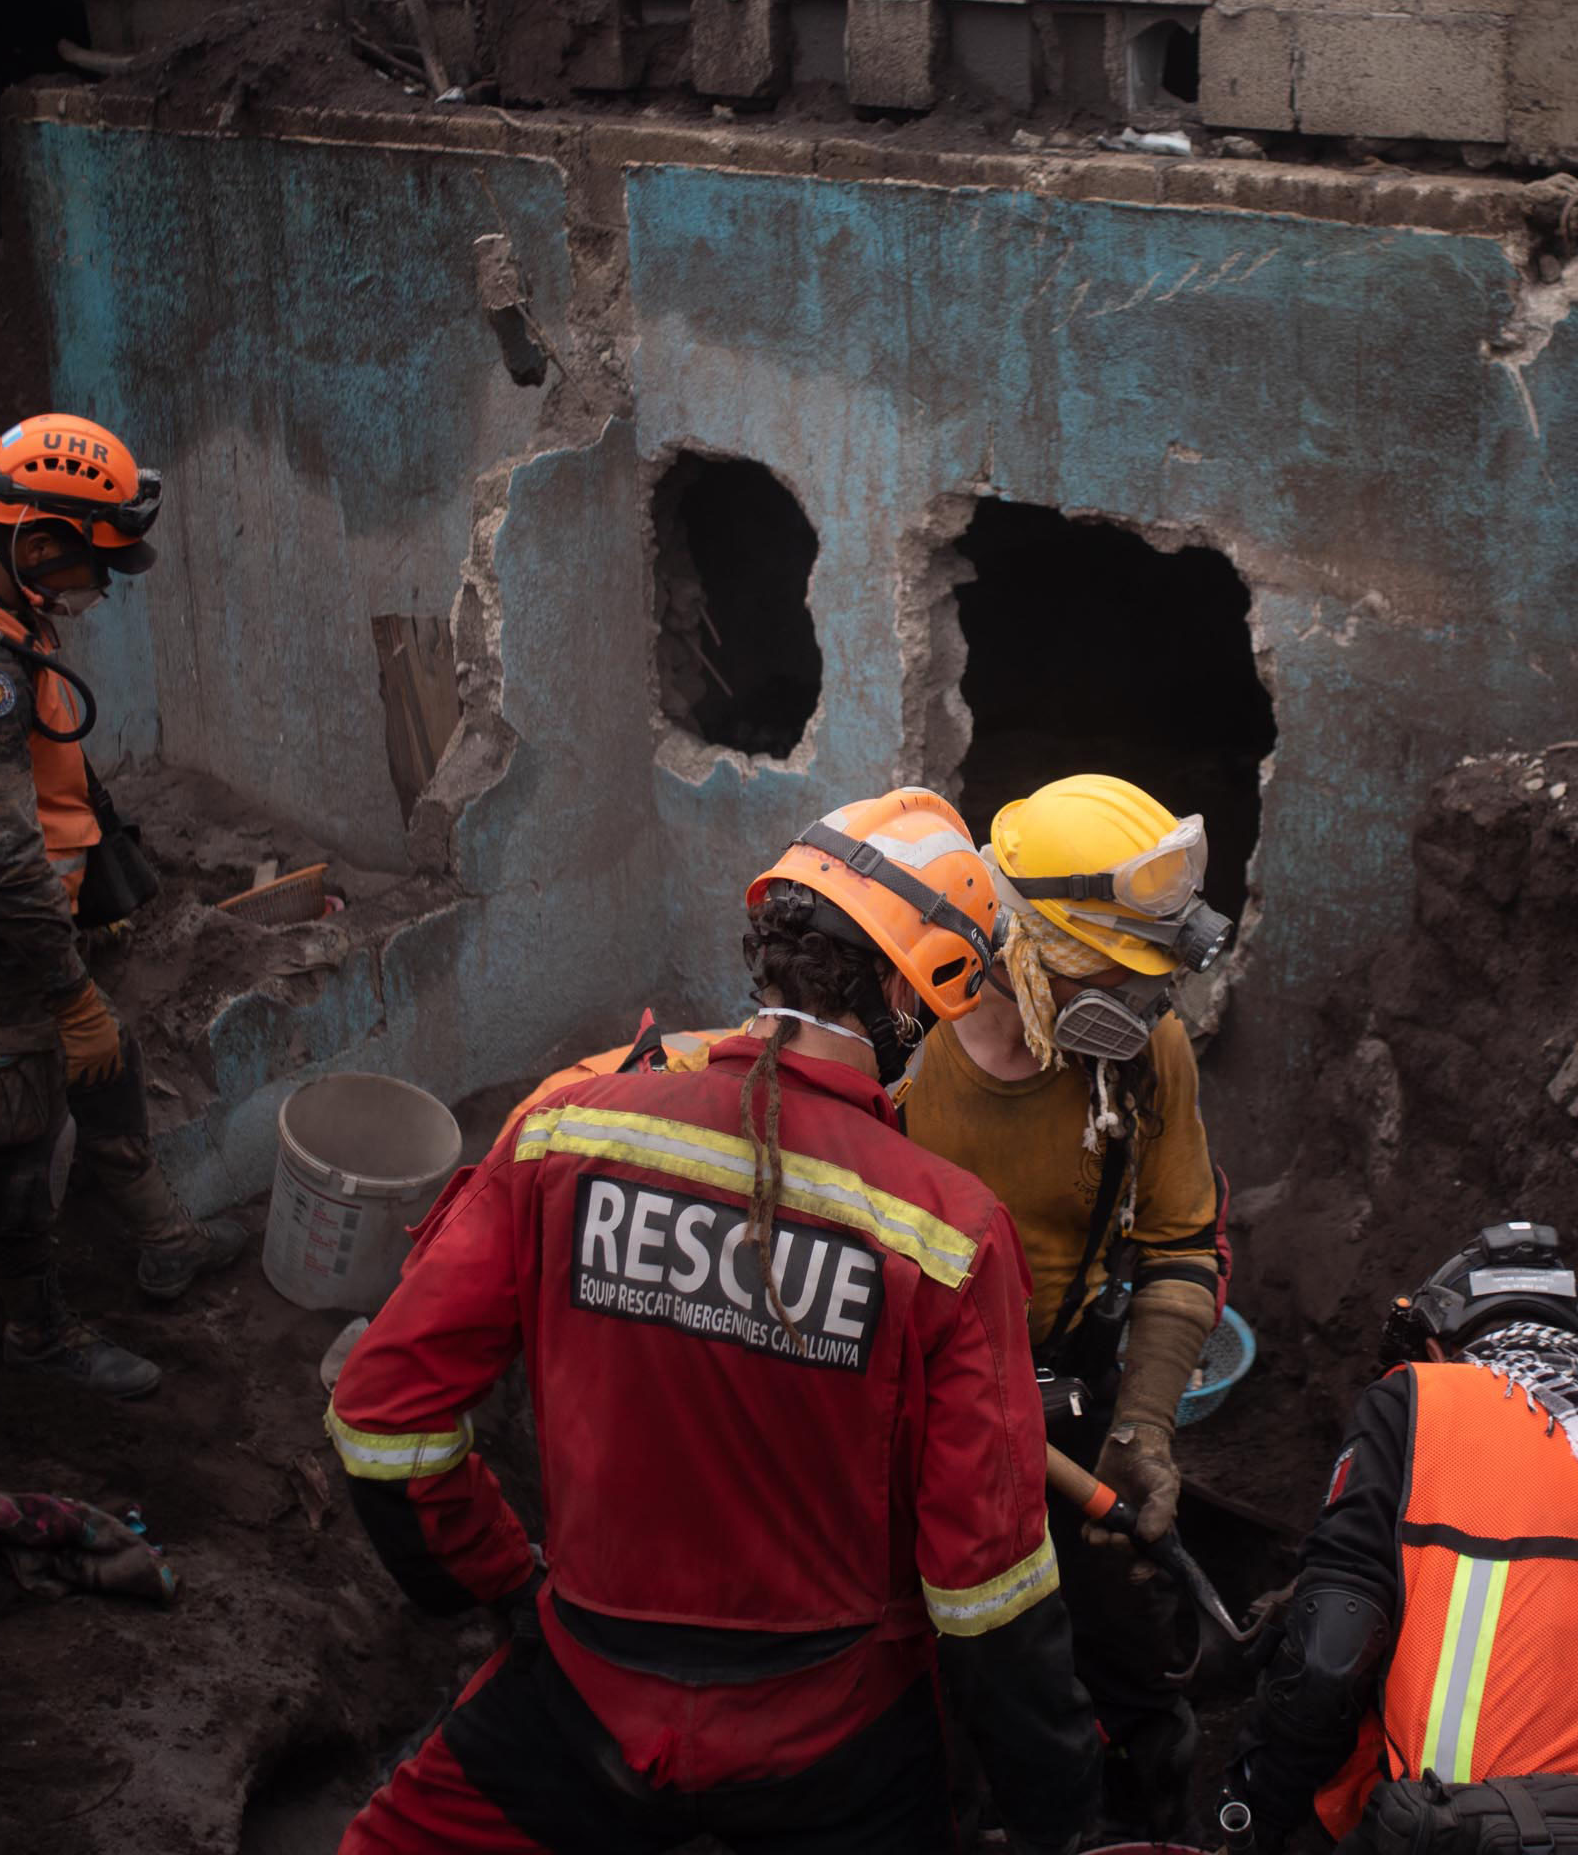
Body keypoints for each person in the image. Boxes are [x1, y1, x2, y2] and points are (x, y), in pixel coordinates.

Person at [324, 787, 1100, 1855]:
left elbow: (380, 1414)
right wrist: (1058, 1811)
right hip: (835, 1742)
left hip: (581, 1696)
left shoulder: (560, 1135)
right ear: (921, 990)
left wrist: (508, 1586)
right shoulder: (949, 1234)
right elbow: (988, 1585)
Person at [0, 413, 238, 1399]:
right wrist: (66, 991)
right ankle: (39, 1328)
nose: (103, 583)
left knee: (107, 1066)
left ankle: (165, 1238)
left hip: (17, 923)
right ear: (35, 544)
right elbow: (2, 860)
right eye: (93, 561)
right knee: (16, 1136)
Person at [894, 771, 1233, 1835]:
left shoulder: (1142, 1061)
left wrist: (1141, 1422)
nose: (1142, 1011)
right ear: (1016, 942)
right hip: (903, 1400)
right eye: (1114, 978)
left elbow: (1178, 1243)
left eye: (1152, 983)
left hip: (1063, 1393)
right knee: (924, 1659)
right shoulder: (900, 1051)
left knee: (1124, 1670)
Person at [1214, 1222, 1578, 1855]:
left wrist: (1255, 1809)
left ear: (1439, 1347)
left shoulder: (1417, 1398)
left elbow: (1329, 1654)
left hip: (1456, 1829)